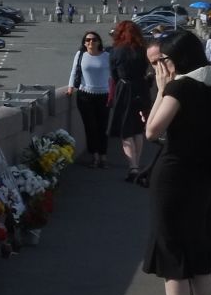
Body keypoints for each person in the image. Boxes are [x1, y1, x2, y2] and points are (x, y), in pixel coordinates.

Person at [142, 31, 211, 295]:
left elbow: (152, 130)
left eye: (164, 60)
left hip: (174, 179)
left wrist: (162, 90)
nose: (160, 66)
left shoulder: (181, 87)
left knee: (173, 256)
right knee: (200, 255)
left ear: (178, 59)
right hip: (203, 179)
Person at [106, 20, 153, 181]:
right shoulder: (142, 50)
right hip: (141, 89)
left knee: (126, 130)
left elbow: (114, 75)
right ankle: (137, 165)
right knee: (138, 130)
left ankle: (132, 166)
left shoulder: (116, 51)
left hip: (125, 90)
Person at [66, 30, 112, 167]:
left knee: (102, 128)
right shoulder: (80, 55)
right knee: (90, 127)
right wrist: (70, 87)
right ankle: (95, 156)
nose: (90, 42)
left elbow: (113, 75)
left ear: (99, 42)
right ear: (84, 43)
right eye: (87, 40)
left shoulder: (107, 56)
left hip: (104, 95)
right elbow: (74, 71)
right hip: (85, 95)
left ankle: (103, 157)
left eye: (94, 40)